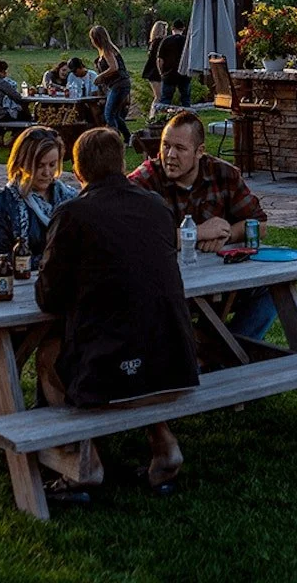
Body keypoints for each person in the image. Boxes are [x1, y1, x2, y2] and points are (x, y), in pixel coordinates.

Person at [36, 127, 198, 495]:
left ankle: (84, 460)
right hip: (174, 362)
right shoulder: (156, 206)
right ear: (123, 165)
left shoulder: (73, 213)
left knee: (48, 355)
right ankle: (164, 444)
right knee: (139, 336)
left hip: (108, 369)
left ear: (77, 172)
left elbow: (49, 297)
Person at [128, 111, 276, 339]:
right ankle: (209, 359)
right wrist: (197, 233)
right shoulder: (144, 180)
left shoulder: (223, 174)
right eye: (165, 146)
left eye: (180, 148)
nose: (170, 155)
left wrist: (227, 234)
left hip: (217, 279)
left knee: (273, 289)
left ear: (200, 152)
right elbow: (134, 238)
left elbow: (259, 224)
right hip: (164, 286)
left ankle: (227, 356)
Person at [0, 126, 77, 267]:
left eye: (52, 165)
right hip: (20, 282)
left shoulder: (71, 198)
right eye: (39, 165)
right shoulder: (2, 202)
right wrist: (46, 261)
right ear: (22, 163)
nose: (47, 172)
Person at [89, 25, 131, 142]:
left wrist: (100, 76)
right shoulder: (106, 50)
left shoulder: (107, 51)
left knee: (109, 114)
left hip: (119, 84)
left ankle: (114, 140)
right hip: (119, 84)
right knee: (115, 115)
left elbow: (114, 67)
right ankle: (128, 137)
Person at [156, 19, 191, 109]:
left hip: (169, 74)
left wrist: (161, 72)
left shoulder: (166, 41)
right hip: (184, 74)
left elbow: (160, 59)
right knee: (185, 99)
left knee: (165, 100)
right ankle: (187, 118)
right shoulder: (187, 41)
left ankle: (163, 119)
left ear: (172, 28)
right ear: (183, 28)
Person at [141, 20, 168, 114]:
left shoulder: (153, 42)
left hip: (152, 72)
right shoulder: (159, 43)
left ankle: (155, 114)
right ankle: (153, 115)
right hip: (155, 72)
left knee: (158, 96)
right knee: (159, 96)